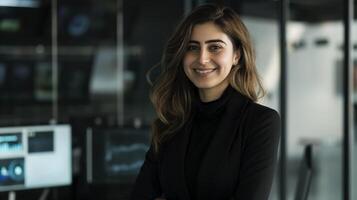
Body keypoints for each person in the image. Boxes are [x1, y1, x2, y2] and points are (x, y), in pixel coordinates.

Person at [131, 4, 281, 200]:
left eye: (215, 47)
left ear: (236, 55)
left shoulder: (260, 122)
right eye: (193, 47)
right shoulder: (172, 120)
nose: (202, 59)